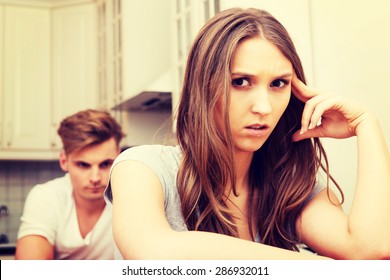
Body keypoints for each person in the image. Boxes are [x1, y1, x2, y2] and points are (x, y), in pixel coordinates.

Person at [105, 8, 390, 259]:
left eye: (278, 84)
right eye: (240, 82)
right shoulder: (142, 168)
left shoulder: (292, 187)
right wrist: (319, 267)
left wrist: (366, 125)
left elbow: (369, 249)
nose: (264, 107)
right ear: (202, 87)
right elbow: (156, 253)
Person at [15, 109, 125, 260]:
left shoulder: (131, 199)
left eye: (105, 164)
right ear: (64, 161)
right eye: (83, 165)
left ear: (118, 158)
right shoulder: (46, 197)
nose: (95, 178)